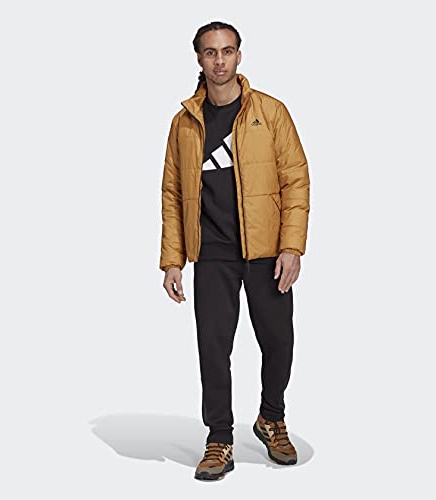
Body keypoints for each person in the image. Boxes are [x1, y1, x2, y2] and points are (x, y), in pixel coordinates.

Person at [159, 20, 310, 481]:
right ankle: (219, 437)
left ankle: (271, 418)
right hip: (213, 253)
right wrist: (172, 260)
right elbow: (172, 192)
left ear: (239, 56)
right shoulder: (185, 123)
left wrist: (291, 246)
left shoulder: (270, 112)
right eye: (211, 52)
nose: (219, 60)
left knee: (278, 341)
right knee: (213, 348)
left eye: (227, 51)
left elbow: (296, 181)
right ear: (199, 59)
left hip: (266, 251)